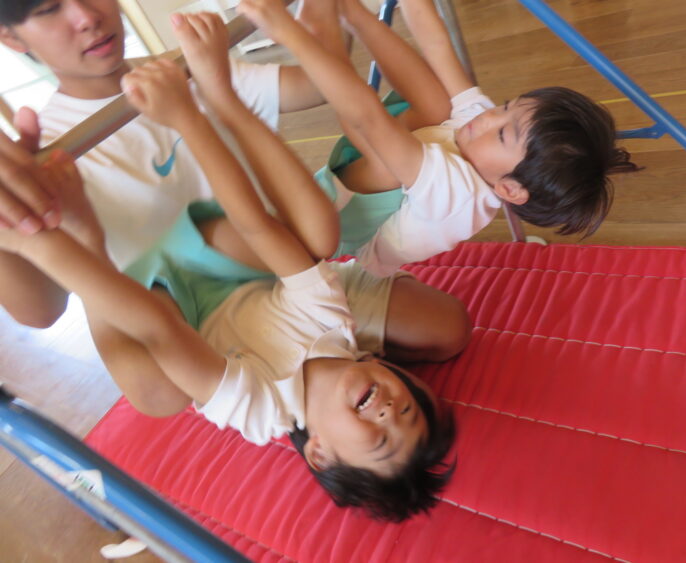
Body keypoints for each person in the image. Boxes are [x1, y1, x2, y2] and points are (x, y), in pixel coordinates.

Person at [0, 12, 464, 521]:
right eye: (405, 409)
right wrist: (191, 115)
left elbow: (160, 331)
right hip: (220, 251)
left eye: (379, 439)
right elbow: (259, 229)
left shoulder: (260, 410)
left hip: (171, 302)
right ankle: (60, 242)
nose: (388, 413)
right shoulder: (331, 318)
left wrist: (65, 243)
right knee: (317, 242)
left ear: (319, 452)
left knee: (159, 377)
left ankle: (69, 239)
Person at [237, 0, 640, 277]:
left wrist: (293, 35)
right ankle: (349, 12)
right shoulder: (482, 132)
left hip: (337, 236)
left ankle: (320, 26)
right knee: (437, 103)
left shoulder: (459, 195)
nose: (488, 117)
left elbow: (369, 123)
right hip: (372, 170)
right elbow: (437, 44)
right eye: (505, 106)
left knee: (386, 155)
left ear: (509, 189)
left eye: (502, 132)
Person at [0, 0, 338, 328]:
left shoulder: (180, 67)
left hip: (302, 270)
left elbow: (317, 86)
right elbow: (40, 311)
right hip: (220, 329)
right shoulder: (50, 158)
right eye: (49, 9)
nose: (87, 17)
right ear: (11, 37)